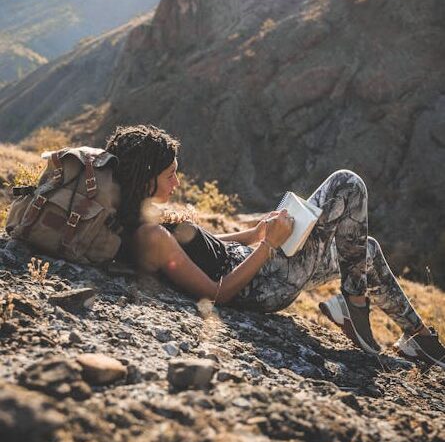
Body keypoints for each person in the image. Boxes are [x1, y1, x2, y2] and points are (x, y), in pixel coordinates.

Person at [106, 123, 445, 370]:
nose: (177, 183)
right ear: (144, 177)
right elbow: (217, 292)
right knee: (347, 183)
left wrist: (254, 233)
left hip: (261, 264)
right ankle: (354, 303)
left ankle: (418, 338)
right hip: (262, 283)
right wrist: (268, 246)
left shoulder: (148, 220)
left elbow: (208, 248)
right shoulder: (148, 237)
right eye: (169, 175)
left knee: (364, 249)